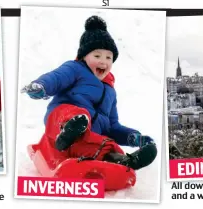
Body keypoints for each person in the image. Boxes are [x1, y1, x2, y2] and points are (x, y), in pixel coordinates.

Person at [21, 15, 157, 170]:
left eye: (109, 57)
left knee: (105, 143)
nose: (103, 61)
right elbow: (57, 77)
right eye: (97, 55)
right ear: (84, 56)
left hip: (85, 140)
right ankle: (70, 131)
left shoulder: (110, 92)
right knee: (77, 114)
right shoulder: (75, 69)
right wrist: (41, 86)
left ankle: (121, 162)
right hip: (59, 128)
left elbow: (112, 126)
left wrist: (133, 137)